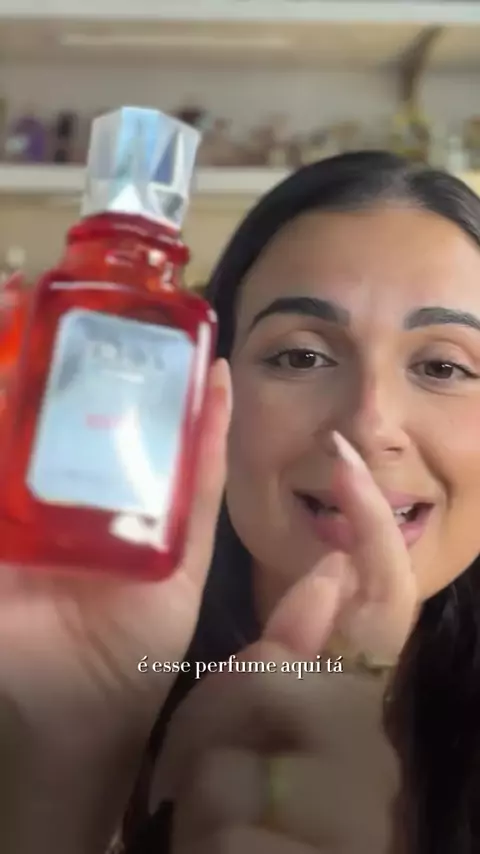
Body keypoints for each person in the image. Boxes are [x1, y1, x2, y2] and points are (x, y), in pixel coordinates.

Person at [2, 150, 480, 854]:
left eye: (444, 366)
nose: (369, 424)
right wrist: (70, 764)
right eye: (301, 357)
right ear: (205, 390)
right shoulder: (58, 652)